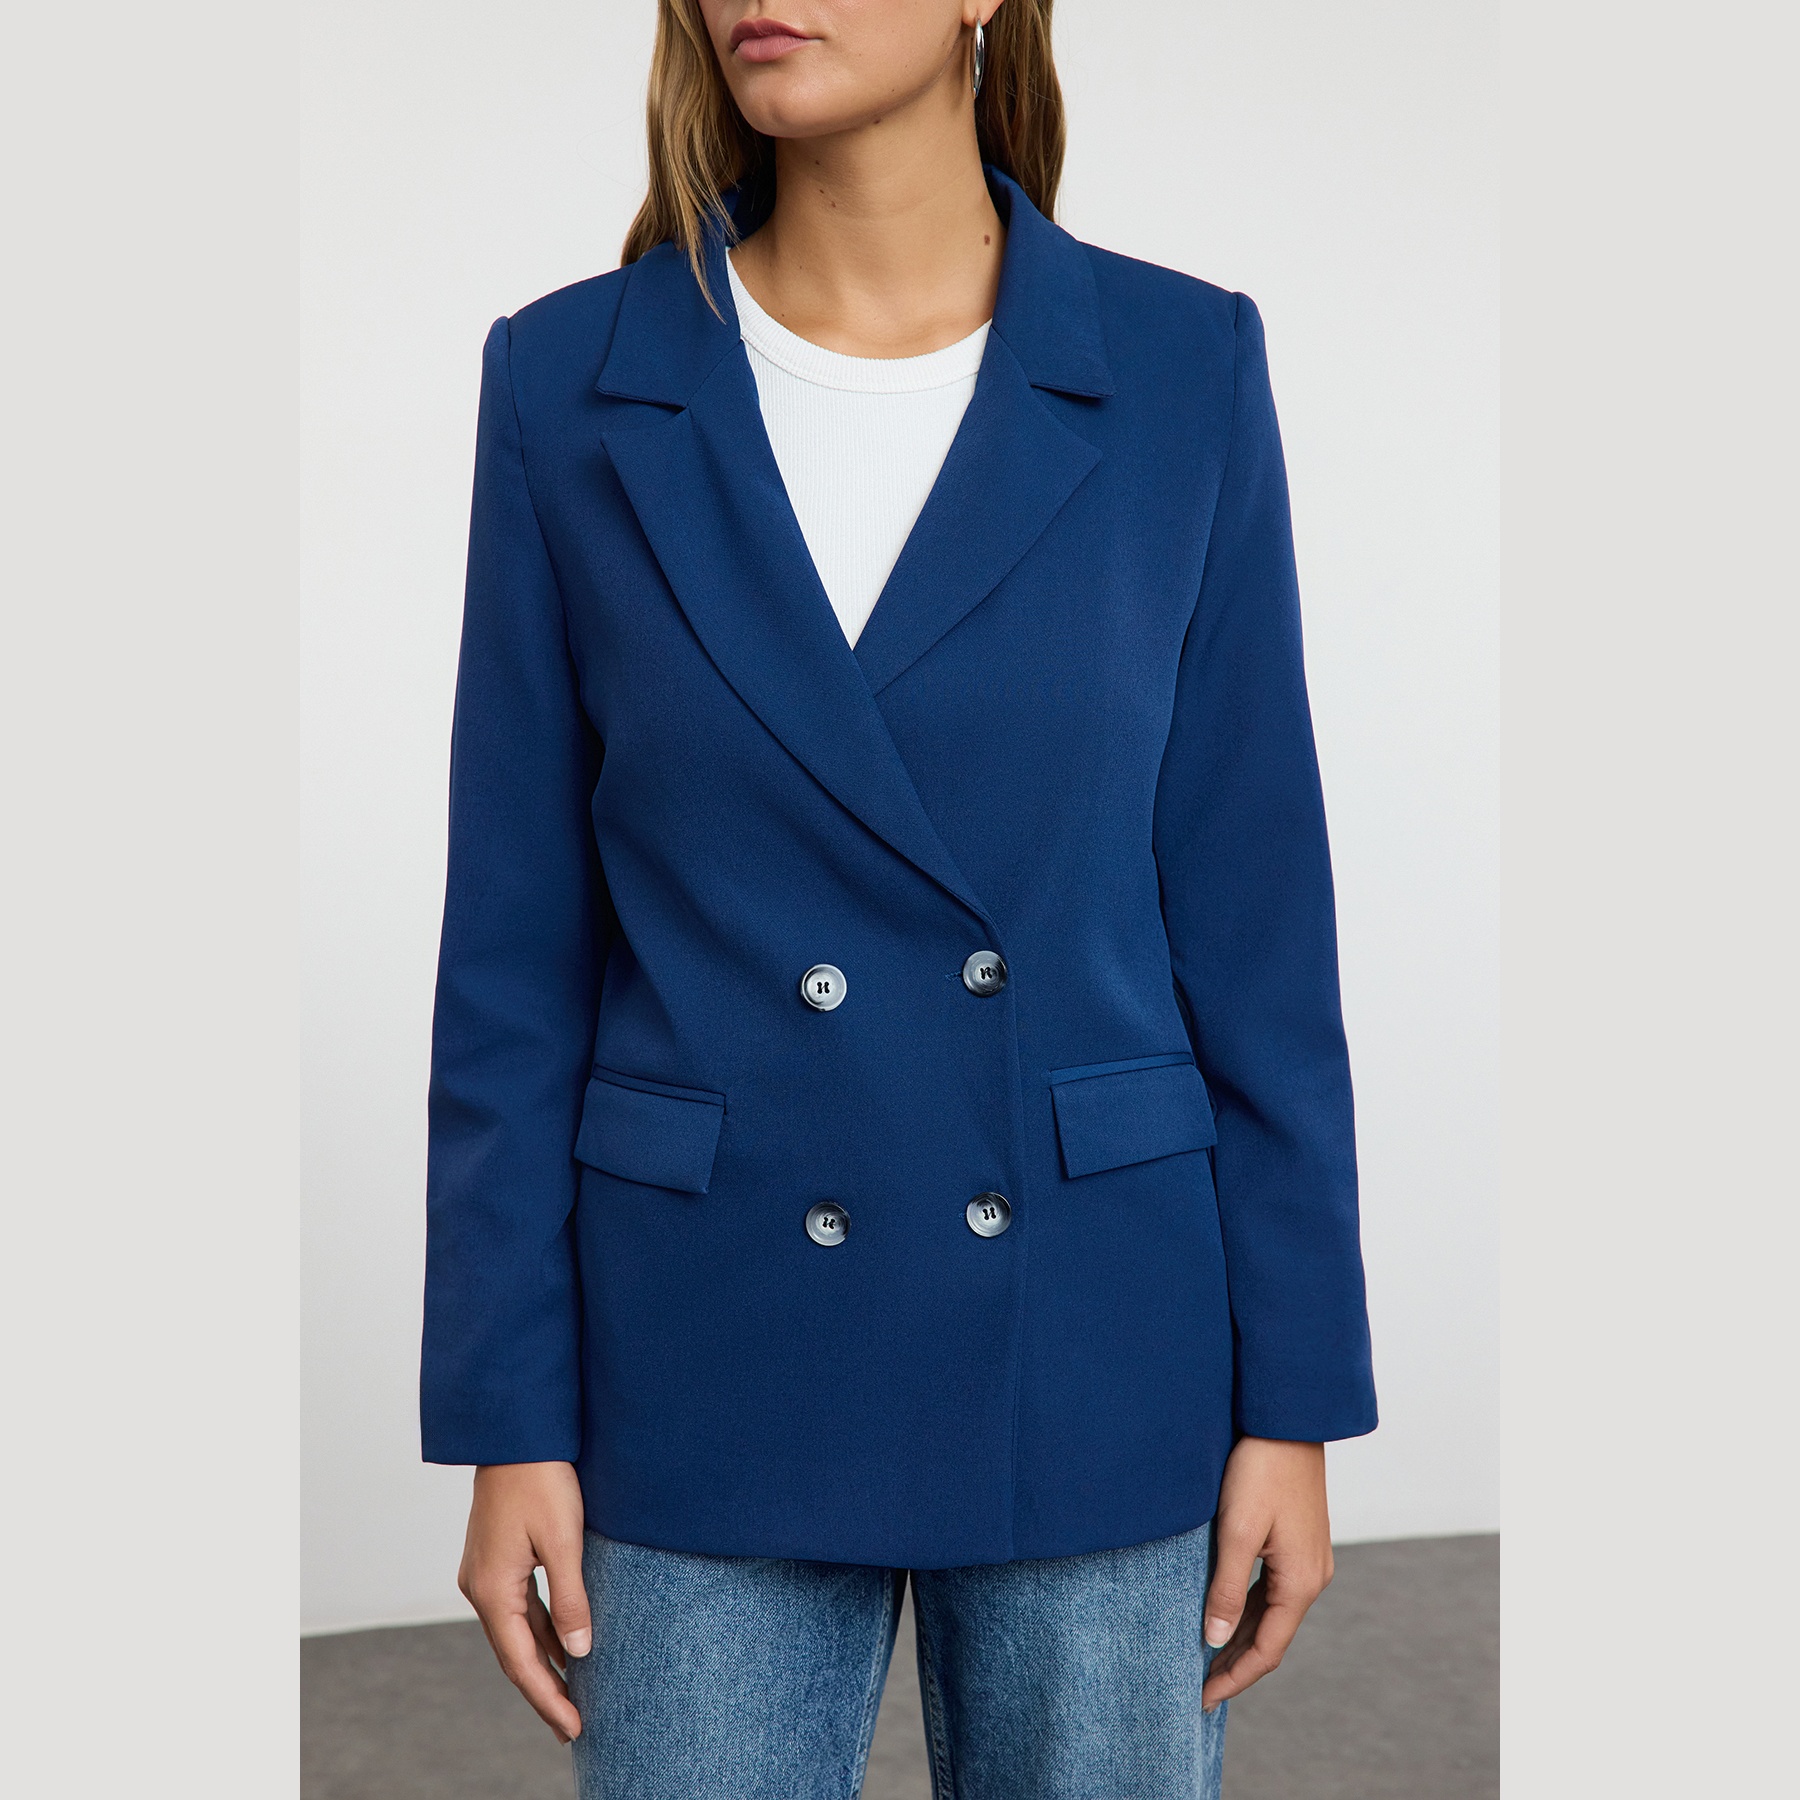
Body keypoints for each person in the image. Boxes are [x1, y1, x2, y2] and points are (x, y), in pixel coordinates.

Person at [421, 2, 1377, 1793]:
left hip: (1096, 1326)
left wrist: (1296, 1397)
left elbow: (1258, 929)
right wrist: (508, 1414)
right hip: (704, 1341)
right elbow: (514, 963)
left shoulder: (1182, 366)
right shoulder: (568, 381)